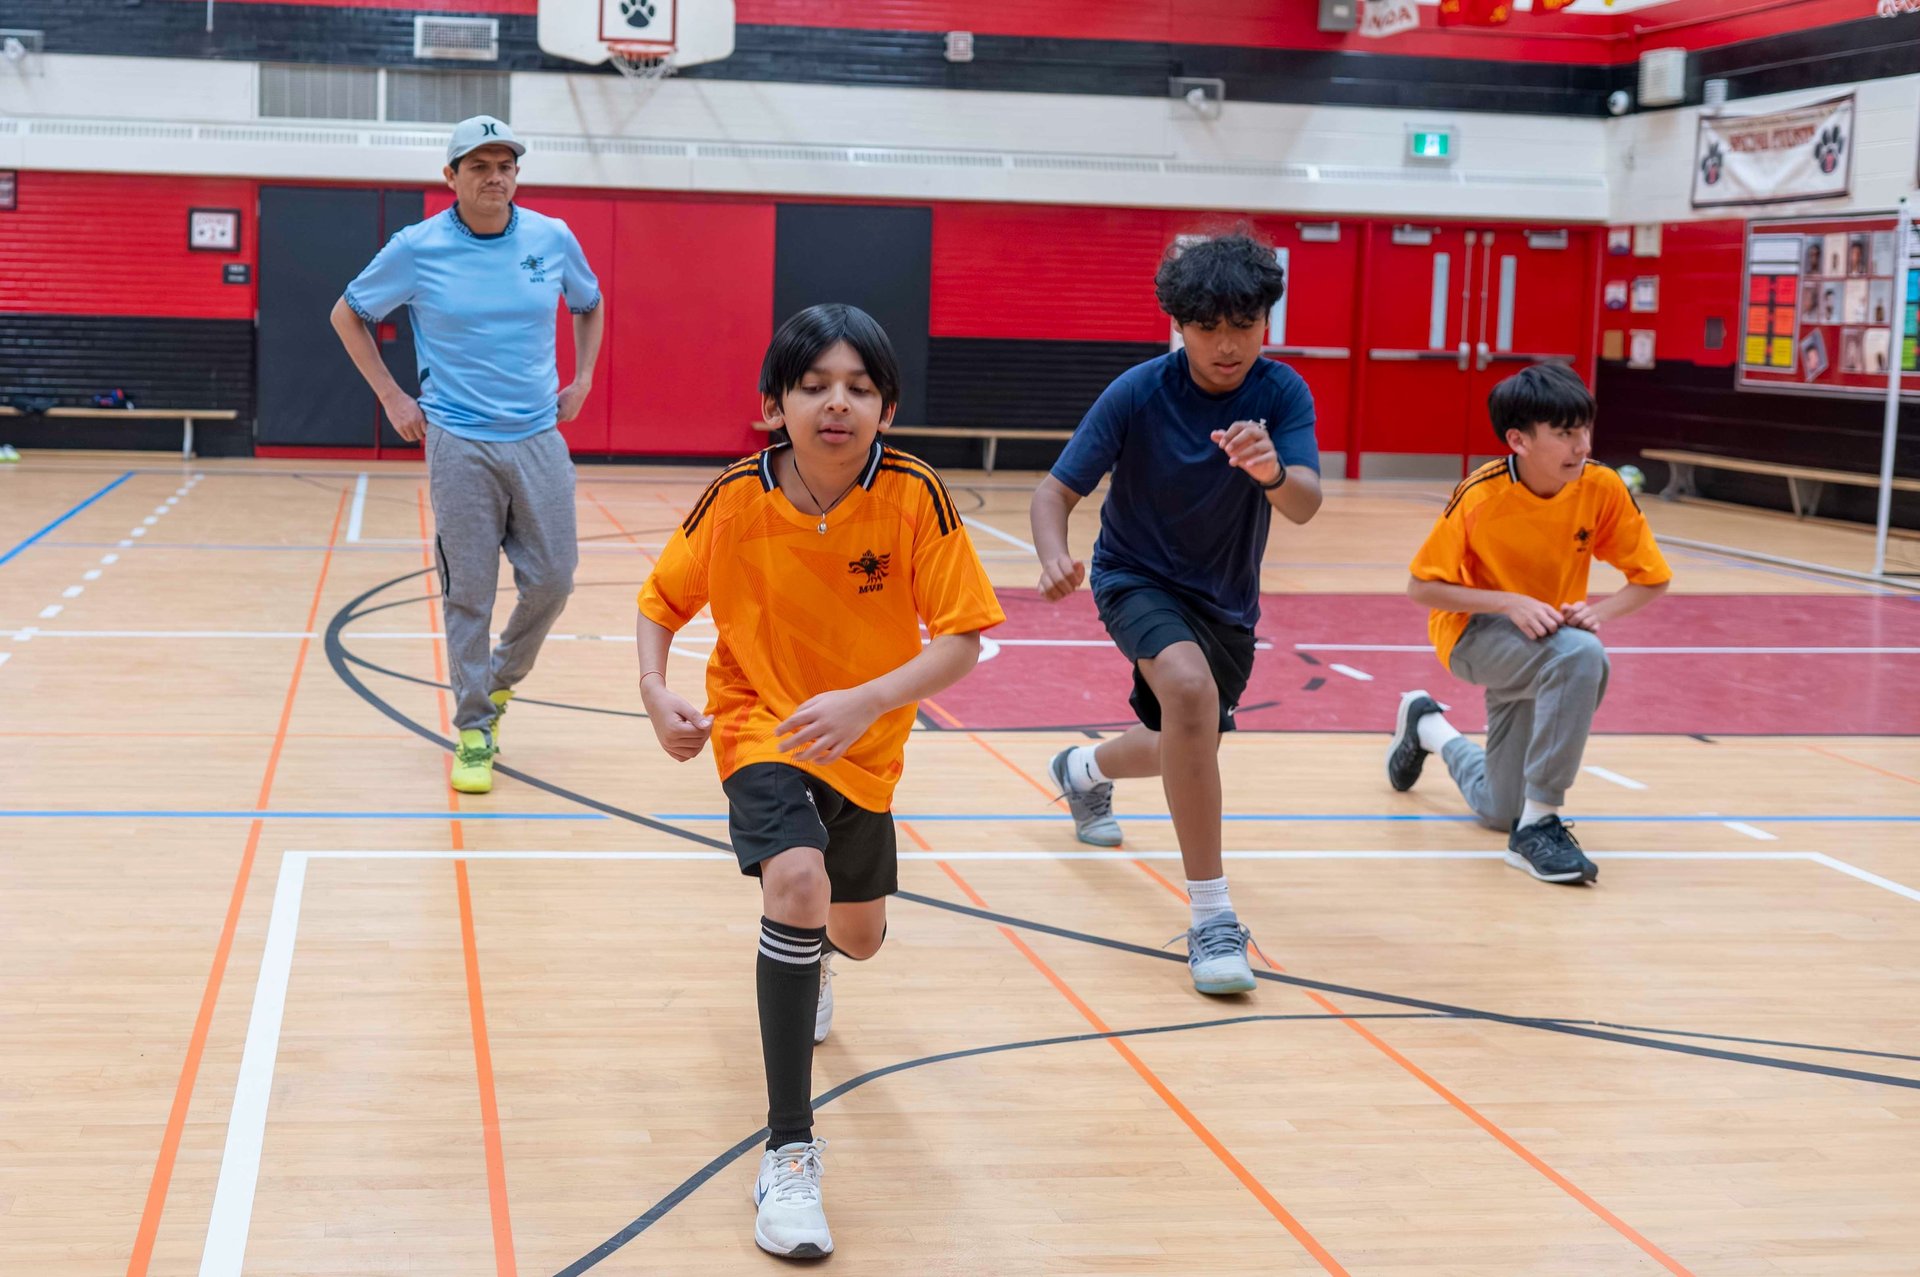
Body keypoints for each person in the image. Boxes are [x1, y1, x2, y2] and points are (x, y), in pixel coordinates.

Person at [635, 304, 1004, 1258]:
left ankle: (820, 956)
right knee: (795, 881)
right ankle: (789, 1152)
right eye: (813, 385)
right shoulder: (734, 498)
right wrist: (652, 687)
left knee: (857, 932)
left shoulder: (916, 493)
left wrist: (864, 700)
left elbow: (962, 639)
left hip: (866, 748)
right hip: (761, 721)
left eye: (859, 387)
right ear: (775, 404)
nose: (836, 403)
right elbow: (660, 602)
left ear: (887, 407)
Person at [1030, 228, 1323, 995]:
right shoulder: (1138, 391)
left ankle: (1083, 767)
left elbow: (1305, 505)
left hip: (1224, 598)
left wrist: (1272, 471)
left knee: (1182, 740)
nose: (1227, 345)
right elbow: (1054, 491)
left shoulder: (1283, 393)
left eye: (1245, 325)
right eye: (1207, 328)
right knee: (1189, 696)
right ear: (1178, 325)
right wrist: (1054, 552)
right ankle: (1213, 916)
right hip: (1134, 575)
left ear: (1267, 320)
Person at [330, 115, 604, 793]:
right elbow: (348, 313)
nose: (495, 177)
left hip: (539, 435)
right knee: (469, 593)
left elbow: (589, 304)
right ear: (450, 177)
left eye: (505, 164)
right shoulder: (417, 248)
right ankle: (475, 726)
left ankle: (500, 679)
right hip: (458, 442)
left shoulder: (552, 237)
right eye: (478, 165)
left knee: (555, 579)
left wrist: (584, 378)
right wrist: (393, 397)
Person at [1385, 363, 1672, 884]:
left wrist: (1598, 611)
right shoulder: (1481, 495)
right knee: (1583, 656)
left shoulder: (1602, 488)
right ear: (1518, 439)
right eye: (1564, 433)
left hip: (1546, 648)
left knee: (1498, 809)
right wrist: (1510, 603)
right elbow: (1420, 588)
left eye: (1584, 428)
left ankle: (1427, 726)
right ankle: (1539, 826)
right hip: (1473, 634)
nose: (1581, 444)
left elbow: (1652, 579)